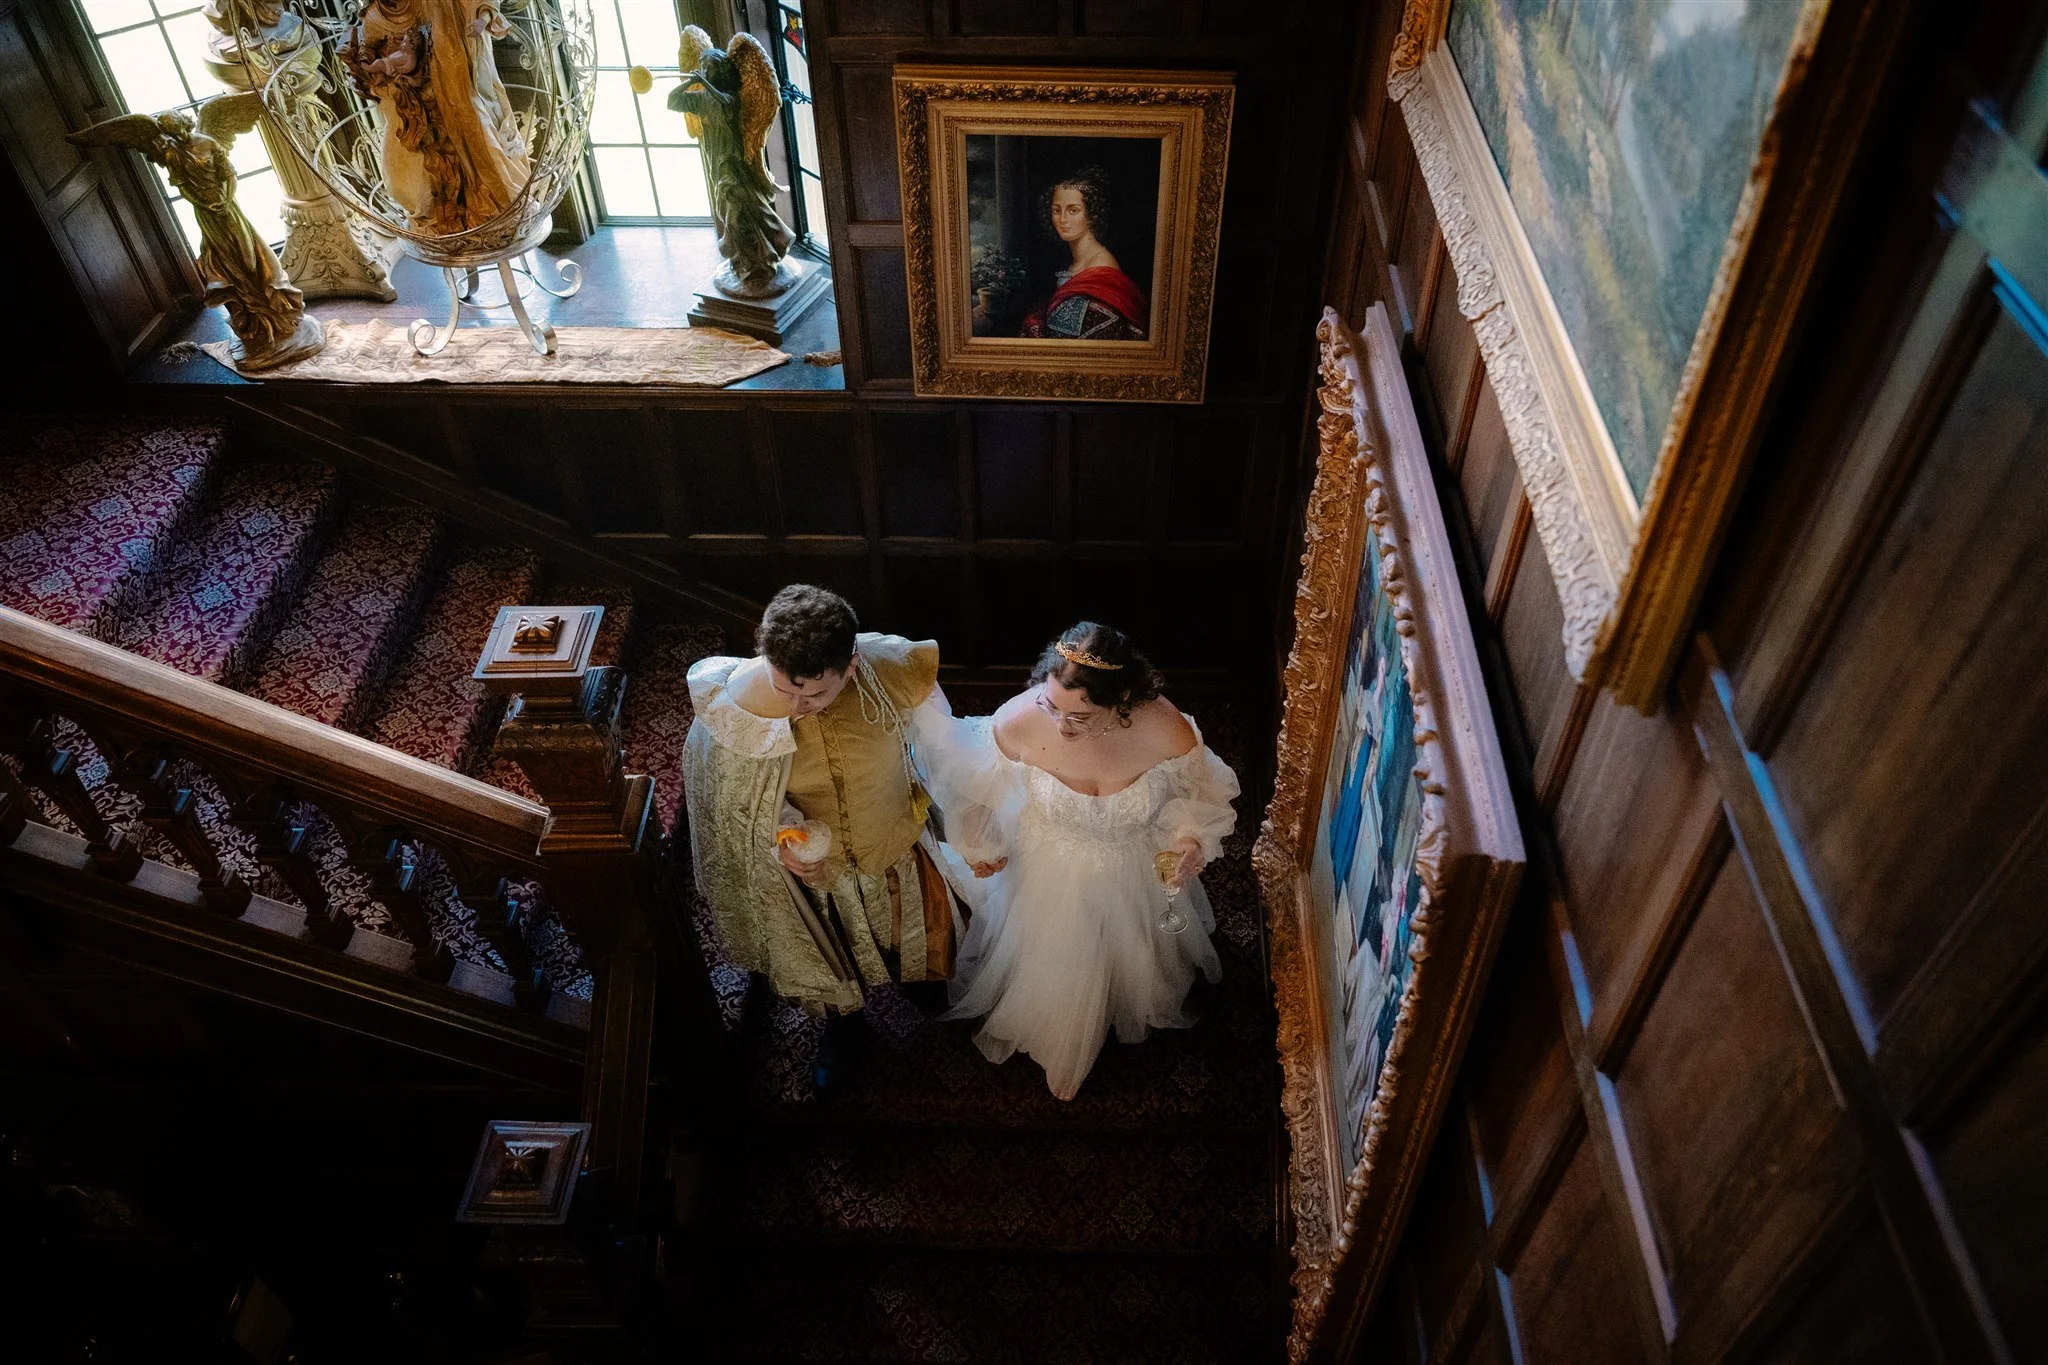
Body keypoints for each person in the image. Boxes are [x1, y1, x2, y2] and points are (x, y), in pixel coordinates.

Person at [913, 622, 1239, 1100]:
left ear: (1122, 698)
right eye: (1052, 705)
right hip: (1049, 868)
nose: (1060, 726)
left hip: (1134, 865)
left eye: (1080, 716)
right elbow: (975, 791)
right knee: (1058, 961)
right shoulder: (1018, 722)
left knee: (1134, 956)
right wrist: (981, 847)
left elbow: (1200, 789)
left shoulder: (1166, 727)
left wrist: (1189, 839)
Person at [683, 585, 965, 1093]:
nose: (797, 706)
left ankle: (926, 990)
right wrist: (785, 835)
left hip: (892, 839)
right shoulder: (739, 702)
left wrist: (973, 827)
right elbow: (736, 793)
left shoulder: (894, 670)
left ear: (850, 667)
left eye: (813, 694)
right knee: (836, 950)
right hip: (820, 867)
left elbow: (946, 751)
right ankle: (845, 1027)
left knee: (916, 941)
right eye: (785, 689)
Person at [1020, 168, 1149, 341]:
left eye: (1073, 210)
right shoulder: (1077, 262)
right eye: (1057, 210)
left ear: (1092, 214)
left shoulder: (1102, 269)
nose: (1063, 219)